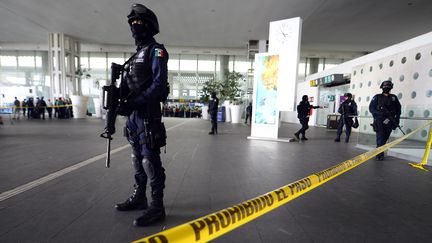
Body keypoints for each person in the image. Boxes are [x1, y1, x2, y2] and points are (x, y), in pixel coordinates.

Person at [114, 3, 169, 227]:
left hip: (148, 113)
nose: (135, 26)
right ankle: (140, 198)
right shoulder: (134, 56)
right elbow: (129, 85)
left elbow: (158, 85)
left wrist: (134, 102)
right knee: (137, 159)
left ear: (149, 26)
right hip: (134, 116)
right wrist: (119, 99)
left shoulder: (157, 51)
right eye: (132, 23)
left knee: (149, 160)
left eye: (139, 22)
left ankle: (157, 206)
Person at [369, 80, 401, 160]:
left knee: (385, 138)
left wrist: (397, 119)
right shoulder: (377, 97)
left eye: (388, 86)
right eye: (385, 86)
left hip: (390, 121)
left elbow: (398, 109)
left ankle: (379, 151)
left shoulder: (394, 97)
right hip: (379, 121)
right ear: (382, 87)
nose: (386, 87)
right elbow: (371, 108)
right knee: (380, 137)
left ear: (391, 87)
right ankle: (379, 154)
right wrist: (380, 114)